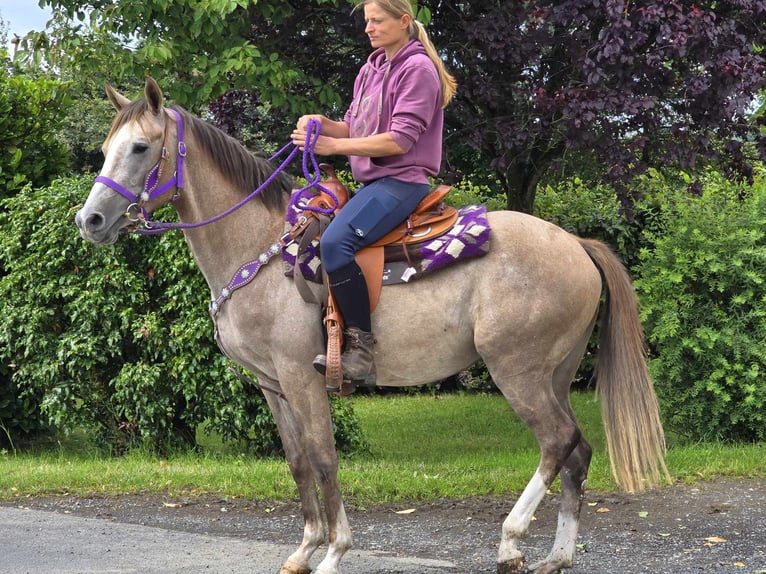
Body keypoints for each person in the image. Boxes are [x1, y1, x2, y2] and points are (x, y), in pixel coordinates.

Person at [291, 0, 457, 389]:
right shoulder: (370, 69)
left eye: (377, 20)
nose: (369, 28)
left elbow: (400, 140)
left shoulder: (418, 70)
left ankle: (360, 350)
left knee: (335, 244)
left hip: (403, 181)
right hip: (375, 184)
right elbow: (352, 126)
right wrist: (323, 126)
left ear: (403, 22)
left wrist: (331, 149)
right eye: (367, 21)